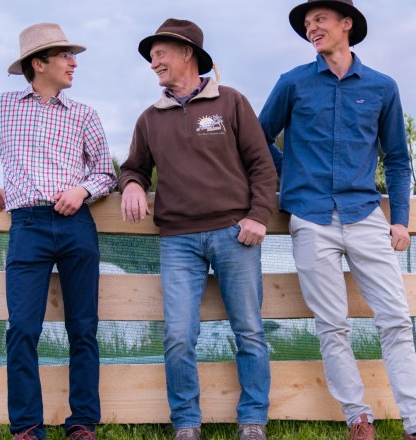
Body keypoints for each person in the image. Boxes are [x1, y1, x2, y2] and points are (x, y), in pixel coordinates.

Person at [257, 2, 416, 440]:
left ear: (346, 25)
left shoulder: (383, 87)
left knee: (396, 318)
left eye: (320, 20)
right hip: (309, 219)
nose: (312, 28)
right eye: (308, 25)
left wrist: (399, 220)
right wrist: (291, 173)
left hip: (366, 216)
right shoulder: (293, 83)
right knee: (331, 325)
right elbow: (258, 135)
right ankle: (358, 420)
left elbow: (398, 159)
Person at [0, 23, 116, 440]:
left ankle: (82, 423)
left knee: (83, 328)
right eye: (64, 56)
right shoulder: (1, 106)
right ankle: (26, 427)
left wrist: (83, 189)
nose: (73, 63)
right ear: (38, 64)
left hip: (76, 225)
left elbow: (105, 172)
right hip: (27, 226)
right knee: (22, 328)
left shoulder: (84, 115)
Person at [118, 18, 276, 440]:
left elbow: (263, 166)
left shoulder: (232, 102)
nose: (154, 61)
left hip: (235, 234)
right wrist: (132, 184)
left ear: (187, 52)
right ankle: (186, 423)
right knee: (178, 336)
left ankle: (253, 420)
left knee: (249, 330)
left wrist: (259, 215)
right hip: (177, 242)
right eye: (151, 55)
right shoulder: (150, 118)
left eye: (160, 52)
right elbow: (134, 166)